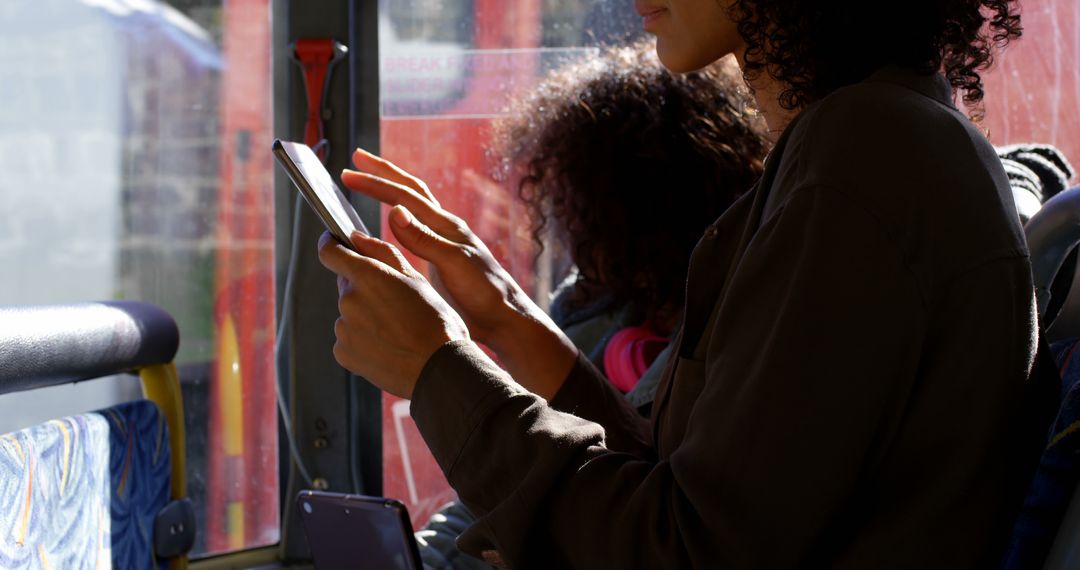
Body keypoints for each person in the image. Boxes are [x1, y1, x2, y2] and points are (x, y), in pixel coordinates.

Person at [318, 0, 1037, 566]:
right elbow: (694, 498)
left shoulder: (861, 160)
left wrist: (439, 370)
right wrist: (507, 317)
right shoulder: (869, 138)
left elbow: (686, 551)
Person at [415, 42, 769, 569]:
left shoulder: (729, 330)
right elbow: (501, 488)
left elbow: (659, 514)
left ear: (633, 211)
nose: (568, 230)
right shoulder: (588, 308)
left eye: (578, 207)